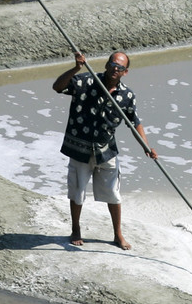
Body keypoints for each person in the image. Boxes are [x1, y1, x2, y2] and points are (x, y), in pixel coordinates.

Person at [52, 50, 157, 250]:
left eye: (119, 67)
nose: (114, 69)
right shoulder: (86, 81)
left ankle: (118, 234)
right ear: (106, 65)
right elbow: (57, 87)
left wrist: (146, 146)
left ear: (125, 72)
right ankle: (75, 229)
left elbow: (134, 122)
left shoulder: (126, 95)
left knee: (113, 194)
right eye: (112, 64)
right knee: (77, 192)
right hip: (80, 148)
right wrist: (76, 68)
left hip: (106, 149)